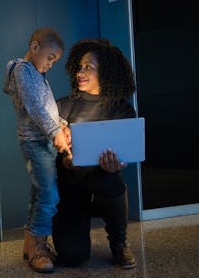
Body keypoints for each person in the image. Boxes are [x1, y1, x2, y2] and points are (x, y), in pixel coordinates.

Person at [52, 38, 137, 269]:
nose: (80, 72)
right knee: (72, 257)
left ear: (107, 71)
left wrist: (116, 165)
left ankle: (119, 243)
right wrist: (66, 160)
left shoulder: (121, 109)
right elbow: (49, 153)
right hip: (71, 186)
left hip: (103, 185)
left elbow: (125, 155)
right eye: (79, 67)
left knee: (108, 179)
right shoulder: (62, 106)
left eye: (88, 67)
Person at [3, 27, 71, 273]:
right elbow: (35, 108)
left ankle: (30, 245)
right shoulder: (23, 70)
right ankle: (39, 247)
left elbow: (48, 108)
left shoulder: (36, 73)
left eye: (55, 61)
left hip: (44, 141)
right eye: (50, 57)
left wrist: (63, 125)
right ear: (35, 47)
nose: (51, 64)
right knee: (50, 196)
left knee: (38, 193)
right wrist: (55, 132)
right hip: (35, 142)